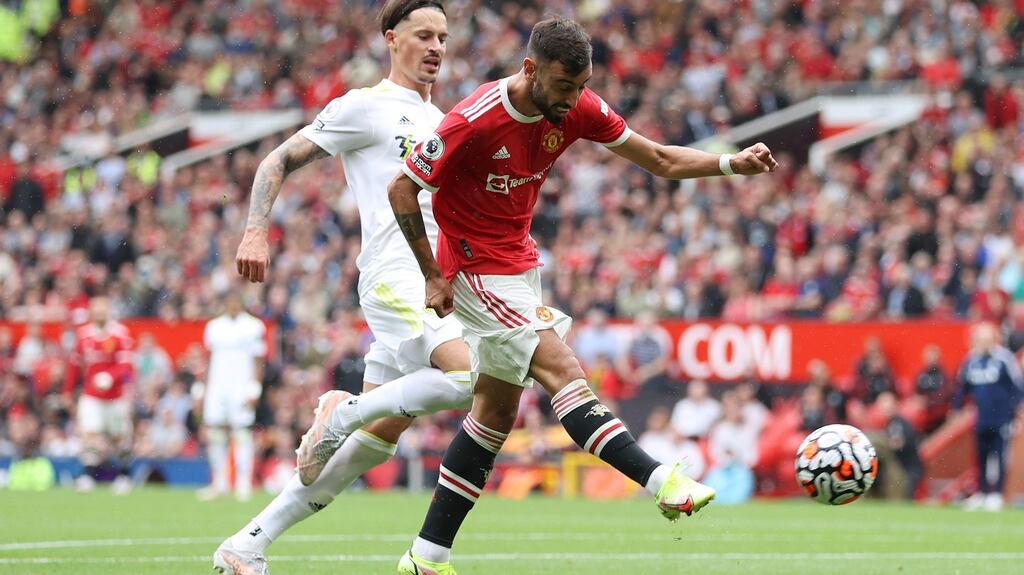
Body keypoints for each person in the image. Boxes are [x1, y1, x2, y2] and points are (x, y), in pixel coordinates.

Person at [368, 16, 776, 573]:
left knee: (493, 413)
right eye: (565, 86)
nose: (576, 98)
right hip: (472, 268)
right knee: (562, 366)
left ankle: (426, 555)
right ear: (530, 69)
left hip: (518, 264)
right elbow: (401, 187)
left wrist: (731, 164)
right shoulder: (475, 118)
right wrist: (431, 275)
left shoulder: (576, 103)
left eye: (582, 85)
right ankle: (661, 480)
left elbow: (657, 158)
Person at [223, 2, 473, 573]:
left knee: (373, 444)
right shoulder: (366, 107)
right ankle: (344, 411)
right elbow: (277, 160)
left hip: (436, 281)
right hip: (395, 276)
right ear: (392, 39)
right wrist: (256, 231)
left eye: (443, 37)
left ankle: (247, 544)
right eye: (423, 35)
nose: (436, 47)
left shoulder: (449, 120)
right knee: (467, 377)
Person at [198, 290, 266, 502]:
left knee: (241, 432)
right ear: (224, 303)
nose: (233, 305)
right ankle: (219, 482)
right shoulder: (214, 327)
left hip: (241, 385)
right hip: (218, 386)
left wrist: (255, 388)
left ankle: (243, 481)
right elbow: (208, 360)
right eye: (230, 301)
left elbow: (258, 360)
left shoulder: (254, 326)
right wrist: (203, 389)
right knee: (216, 432)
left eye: (237, 301)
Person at [63, 296, 135, 494]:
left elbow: (127, 366)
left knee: (119, 437)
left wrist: (110, 376)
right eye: (97, 310)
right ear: (91, 312)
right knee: (89, 434)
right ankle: (87, 475)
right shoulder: (84, 335)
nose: (100, 313)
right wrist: (68, 391)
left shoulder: (120, 334)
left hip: (116, 396)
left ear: (109, 311)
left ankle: (124, 475)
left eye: (103, 310)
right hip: (91, 396)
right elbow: (74, 366)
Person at [953, 322, 1024, 512]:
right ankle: (982, 492)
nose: (982, 343)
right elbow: (962, 388)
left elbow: (1016, 386)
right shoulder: (970, 360)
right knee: (980, 456)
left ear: (994, 339)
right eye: (979, 339)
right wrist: (956, 408)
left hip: (1002, 418)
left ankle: (996, 494)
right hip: (981, 417)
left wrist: (1017, 411)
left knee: (999, 456)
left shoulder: (1004, 359)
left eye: (986, 339)